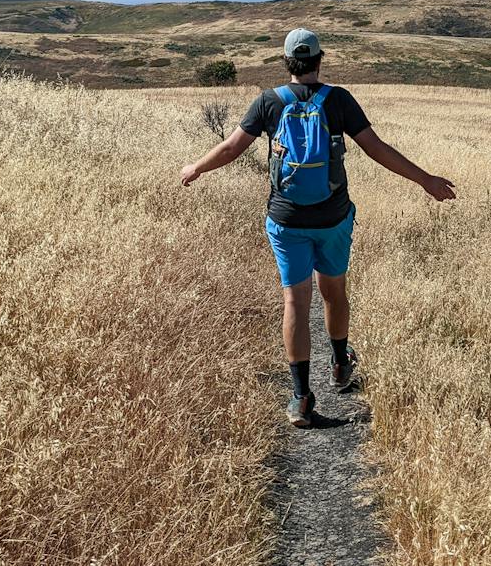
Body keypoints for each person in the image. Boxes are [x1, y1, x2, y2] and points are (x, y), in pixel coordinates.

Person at [180, 27, 456, 426]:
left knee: (296, 301)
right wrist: (425, 179)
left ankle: (301, 397)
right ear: (319, 60)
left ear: (287, 62)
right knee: (333, 292)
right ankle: (341, 363)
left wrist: (196, 168)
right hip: (333, 216)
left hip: (286, 219)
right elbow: (376, 149)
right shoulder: (339, 100)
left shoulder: (269, 102)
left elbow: (231, 148)